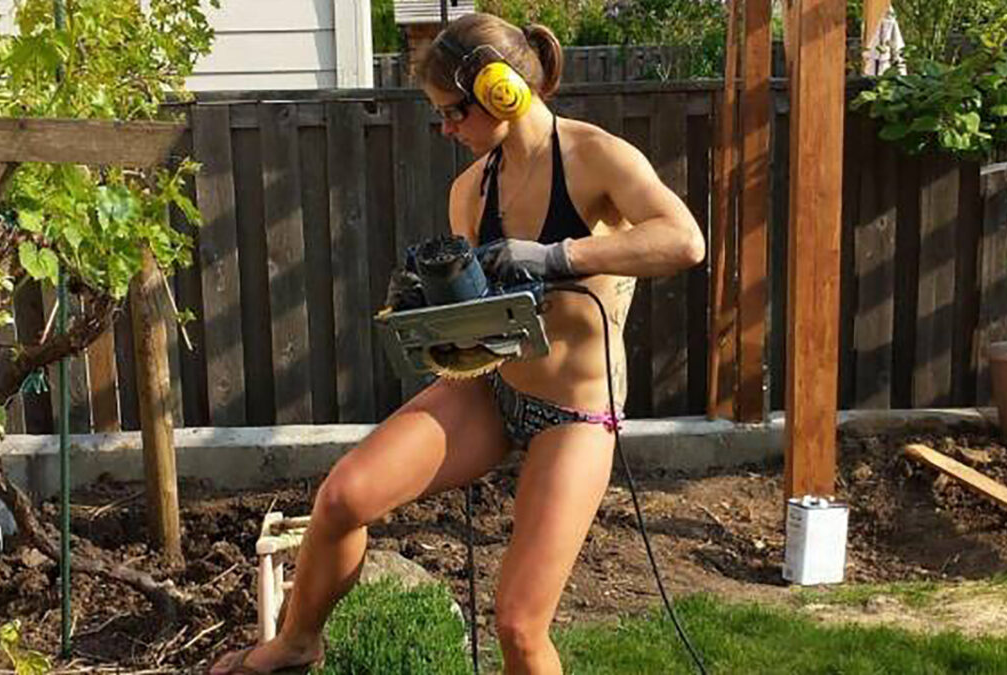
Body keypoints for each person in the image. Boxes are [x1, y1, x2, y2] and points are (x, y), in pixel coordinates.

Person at [210, 12, 704, 675]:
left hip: (577, 412)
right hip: (496, 388)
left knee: (519, 626)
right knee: (344, 497)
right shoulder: (471, 190)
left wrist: (557, 255)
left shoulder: (596, 157)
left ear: (501, 90)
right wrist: (429, 306)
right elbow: (479, 320)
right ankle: (298, 642)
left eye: (452, 112)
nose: (445, 128)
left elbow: (683, 240)